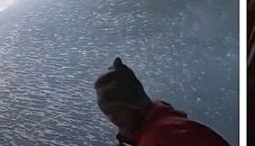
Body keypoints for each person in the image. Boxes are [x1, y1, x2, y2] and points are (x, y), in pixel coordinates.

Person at [94, 57, 232, 146]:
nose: (113, 118)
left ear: (136, 104)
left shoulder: (170, 134)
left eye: (118, 110)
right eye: (108, 113)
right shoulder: (151, 135)